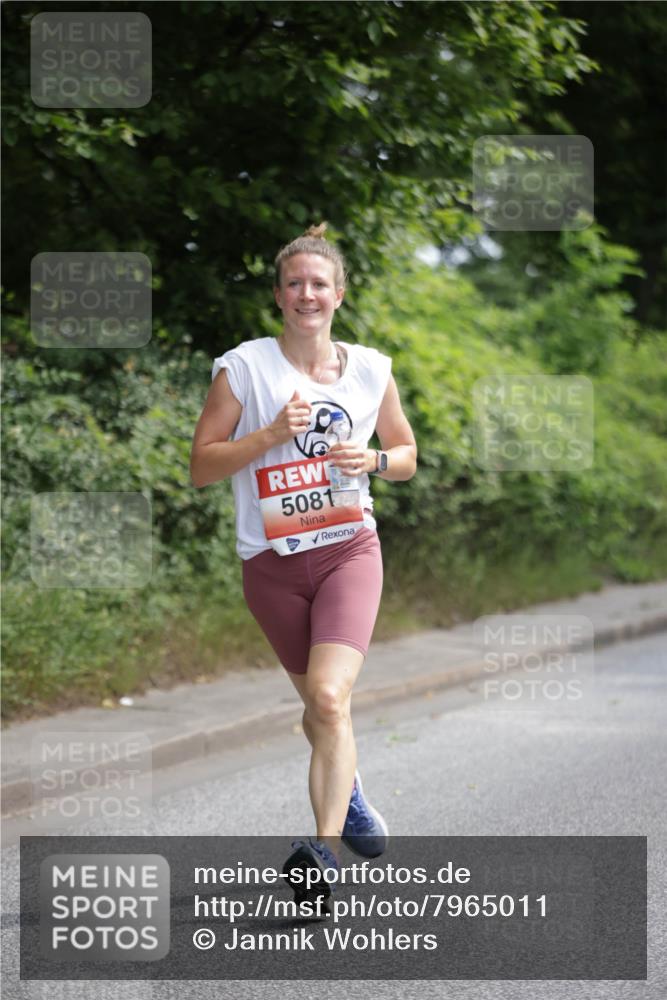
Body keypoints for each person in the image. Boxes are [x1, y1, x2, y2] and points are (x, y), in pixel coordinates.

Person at [190, 222, 417, 907]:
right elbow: (202, 466)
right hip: (272, 565)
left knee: (326, 699)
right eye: (295, 283)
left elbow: (406, 456)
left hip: (348, 550)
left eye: (319, 283)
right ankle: (350, 793)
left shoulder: (371, 369)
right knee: (321, 713)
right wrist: (267, 435)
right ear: (278, 295)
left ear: (338, 294)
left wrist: (373, 459)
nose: (307, 294)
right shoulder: (245, 368)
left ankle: (321, 855)